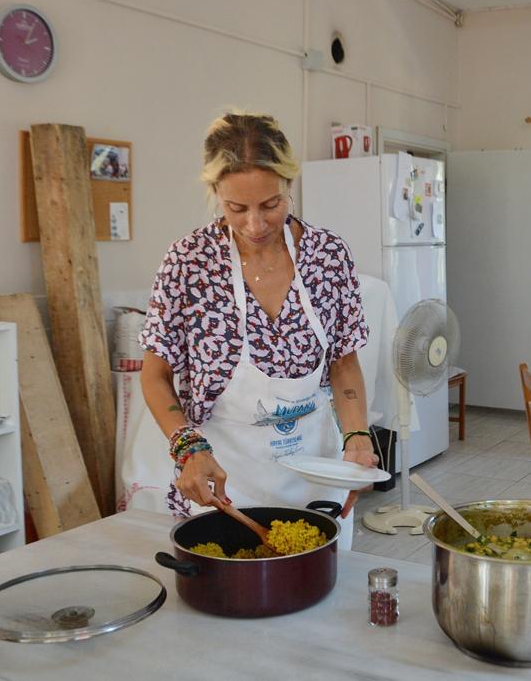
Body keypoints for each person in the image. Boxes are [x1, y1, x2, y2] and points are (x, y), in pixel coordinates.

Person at [139, 111, 378, 549]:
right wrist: (187, 449)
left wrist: (358, 436)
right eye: (236, 208)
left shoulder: (328, 256)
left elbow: (344, 362)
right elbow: (155, 374)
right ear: (215, 194)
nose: (255, 225)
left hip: (316, 478)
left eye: (271, 204)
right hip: (224, 481)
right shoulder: (188, 263)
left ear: (290, 185)